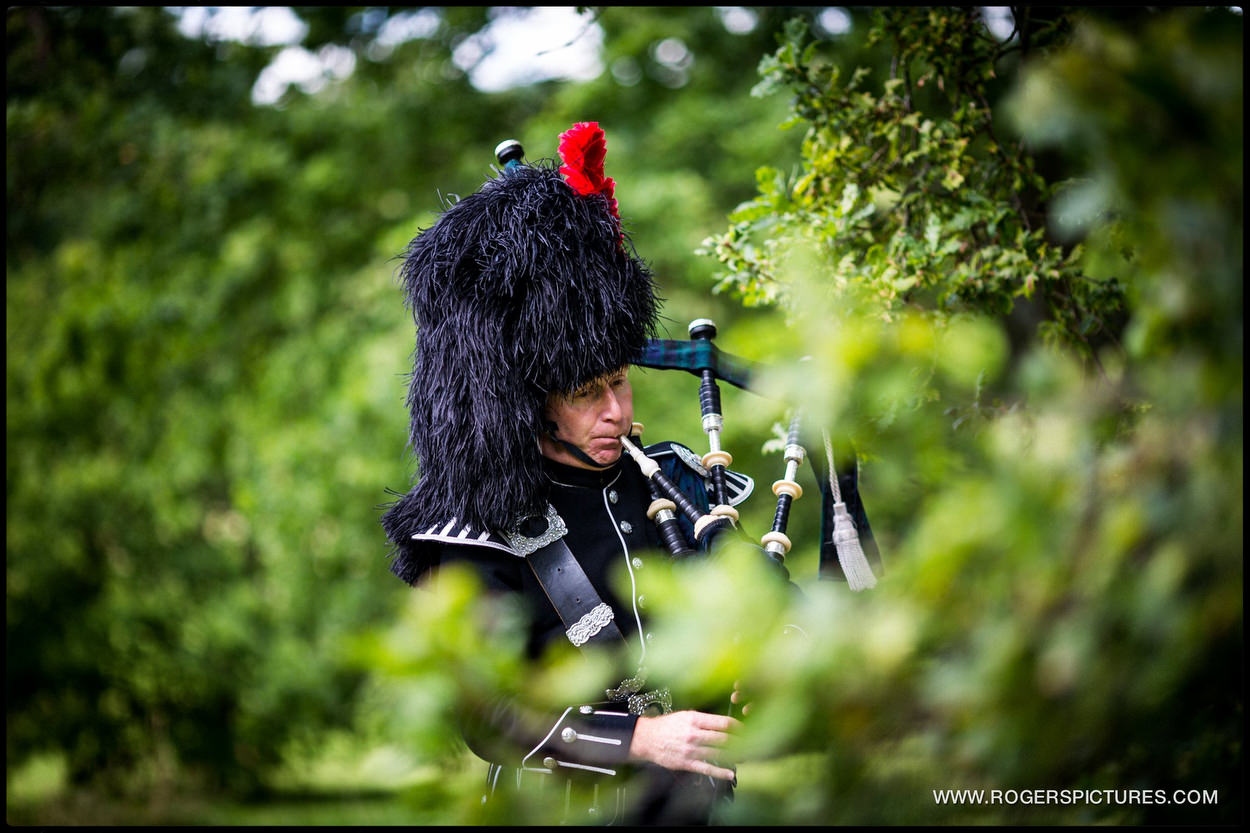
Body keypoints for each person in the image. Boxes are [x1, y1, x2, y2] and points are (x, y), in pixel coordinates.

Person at [380, 122, 760, 824]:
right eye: (588, 392)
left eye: (620, 381)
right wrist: (639, 737)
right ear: (529, 398)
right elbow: (487, 715)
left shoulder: (675, 482)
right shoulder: (470, 526)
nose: (616, 410)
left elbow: (766, 608)